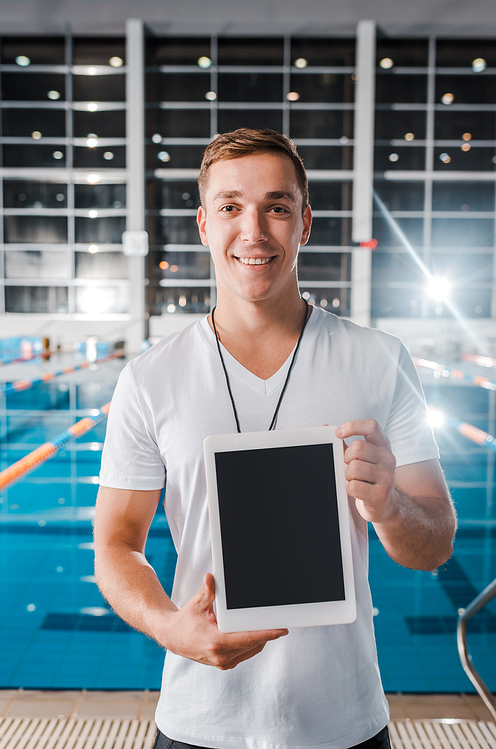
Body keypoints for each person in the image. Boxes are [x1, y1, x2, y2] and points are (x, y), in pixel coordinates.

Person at [95, 128, 456, 749]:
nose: (254, 231)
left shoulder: (379, 360)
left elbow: (435, 544)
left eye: (277, 207)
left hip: (344, 722)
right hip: (198, 722)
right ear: (205, 224)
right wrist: (167, 626)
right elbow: (115, 545)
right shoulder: (150, 379)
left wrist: (389, 506)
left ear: (305, 222)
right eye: (232, 207)